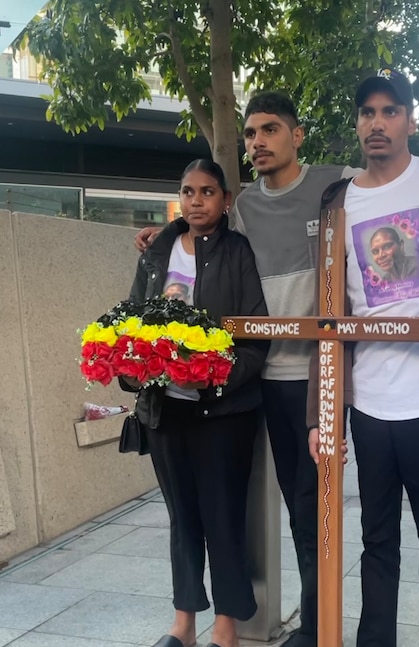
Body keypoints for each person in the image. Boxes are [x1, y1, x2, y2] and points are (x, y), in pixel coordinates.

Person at [135, 90, 419, 647]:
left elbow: (396, 173)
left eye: (270, 130)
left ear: (296, 135)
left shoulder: (336, 186)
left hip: (335, 373)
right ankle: (308, 619)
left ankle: (325, 621)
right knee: (302, 508)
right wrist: (169, 233)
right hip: (270, 377)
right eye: (250, 134)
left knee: (335, 504)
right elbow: (207, 229)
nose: (258, 143)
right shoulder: (244, 204)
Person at [306, 68, 419, 647]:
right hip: (370, 402)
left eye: (389, 111)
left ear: (410, 120)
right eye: (366, 113)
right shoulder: (340, 203)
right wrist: (321, 412)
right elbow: (325, 314)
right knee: (375, 540)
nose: (376, 123)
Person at [125, 159, 269, 647]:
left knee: (222, 517)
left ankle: (226, 629)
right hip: (166, 410)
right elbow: (132, 322)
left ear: (225, 199)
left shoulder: (238, 252)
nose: (196, 201)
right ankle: (183, 625)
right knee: (182, 516)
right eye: (188, 192)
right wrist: (128, 367)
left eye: (207, 192)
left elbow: (255, 337)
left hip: (223, 413)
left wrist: (217, 372)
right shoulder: (157, 250)